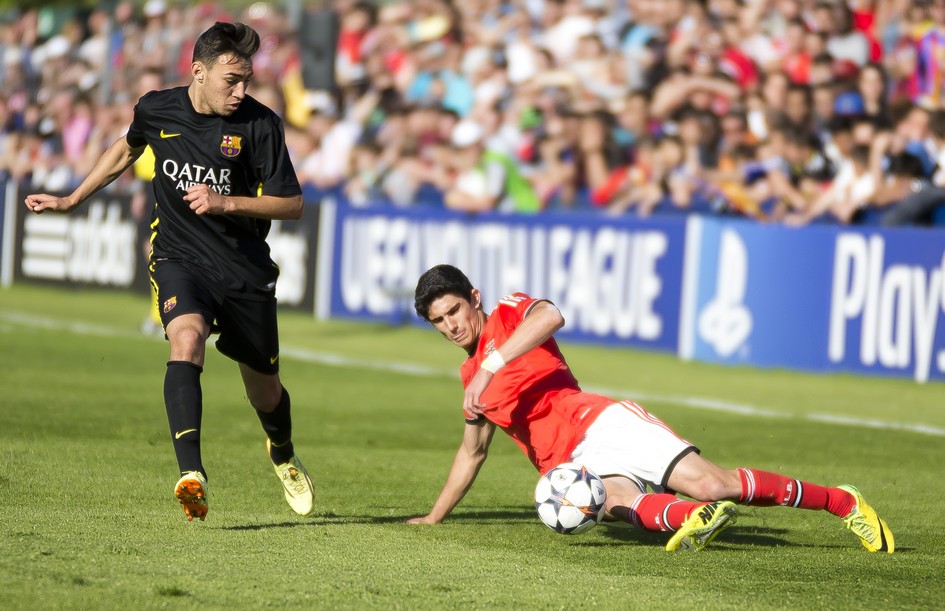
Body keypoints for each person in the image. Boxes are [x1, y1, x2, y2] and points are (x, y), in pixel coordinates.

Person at [24, 22, 314, 522]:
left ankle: (282, 451)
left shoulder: (260, 124)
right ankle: (191, 474)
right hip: (179, 256)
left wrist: (226, 202)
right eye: (231, 80)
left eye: (247, 80)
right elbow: (126, 147)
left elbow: (291, 205)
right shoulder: (156, 108)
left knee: (264, 389)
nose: (241, 91)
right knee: (187, 340)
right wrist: (72, 198)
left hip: (243, 267)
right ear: (198, 72)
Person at [407, 264, 894, 553]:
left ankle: (841, 500)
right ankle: (692, 517)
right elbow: (472, 453)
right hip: (567, 468)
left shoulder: (510, 313)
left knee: (714, 483)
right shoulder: (470, 380)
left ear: (474, 298)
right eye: (438, 321)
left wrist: (493, 362)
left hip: (599, 423)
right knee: (612, 503)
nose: (451, 326)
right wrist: (433, 517)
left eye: (454, 311)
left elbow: (552, 316)